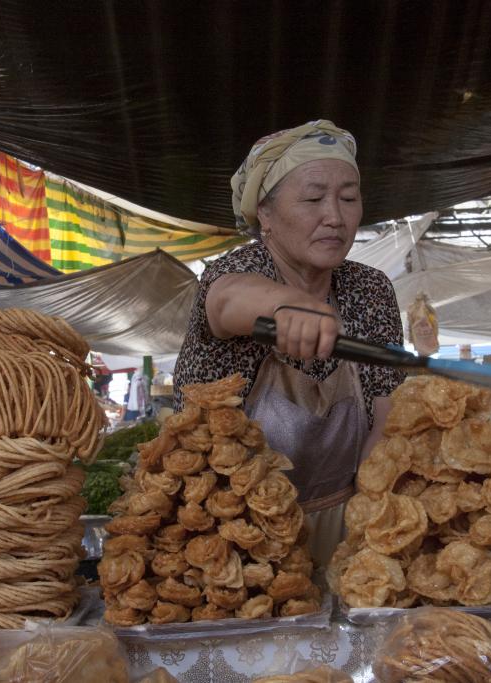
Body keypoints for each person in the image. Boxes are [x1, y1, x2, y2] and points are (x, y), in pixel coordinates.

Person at [173, 120, 405, 563]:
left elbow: (385, 416)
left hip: (347, 524)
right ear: (266, 213)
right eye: (314, 198)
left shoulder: (368, 291)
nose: (335, 217)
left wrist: (369, 526)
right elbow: (227, 301)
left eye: (349, 198)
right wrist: (285, 306)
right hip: (232, 537)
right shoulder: (238, 271)